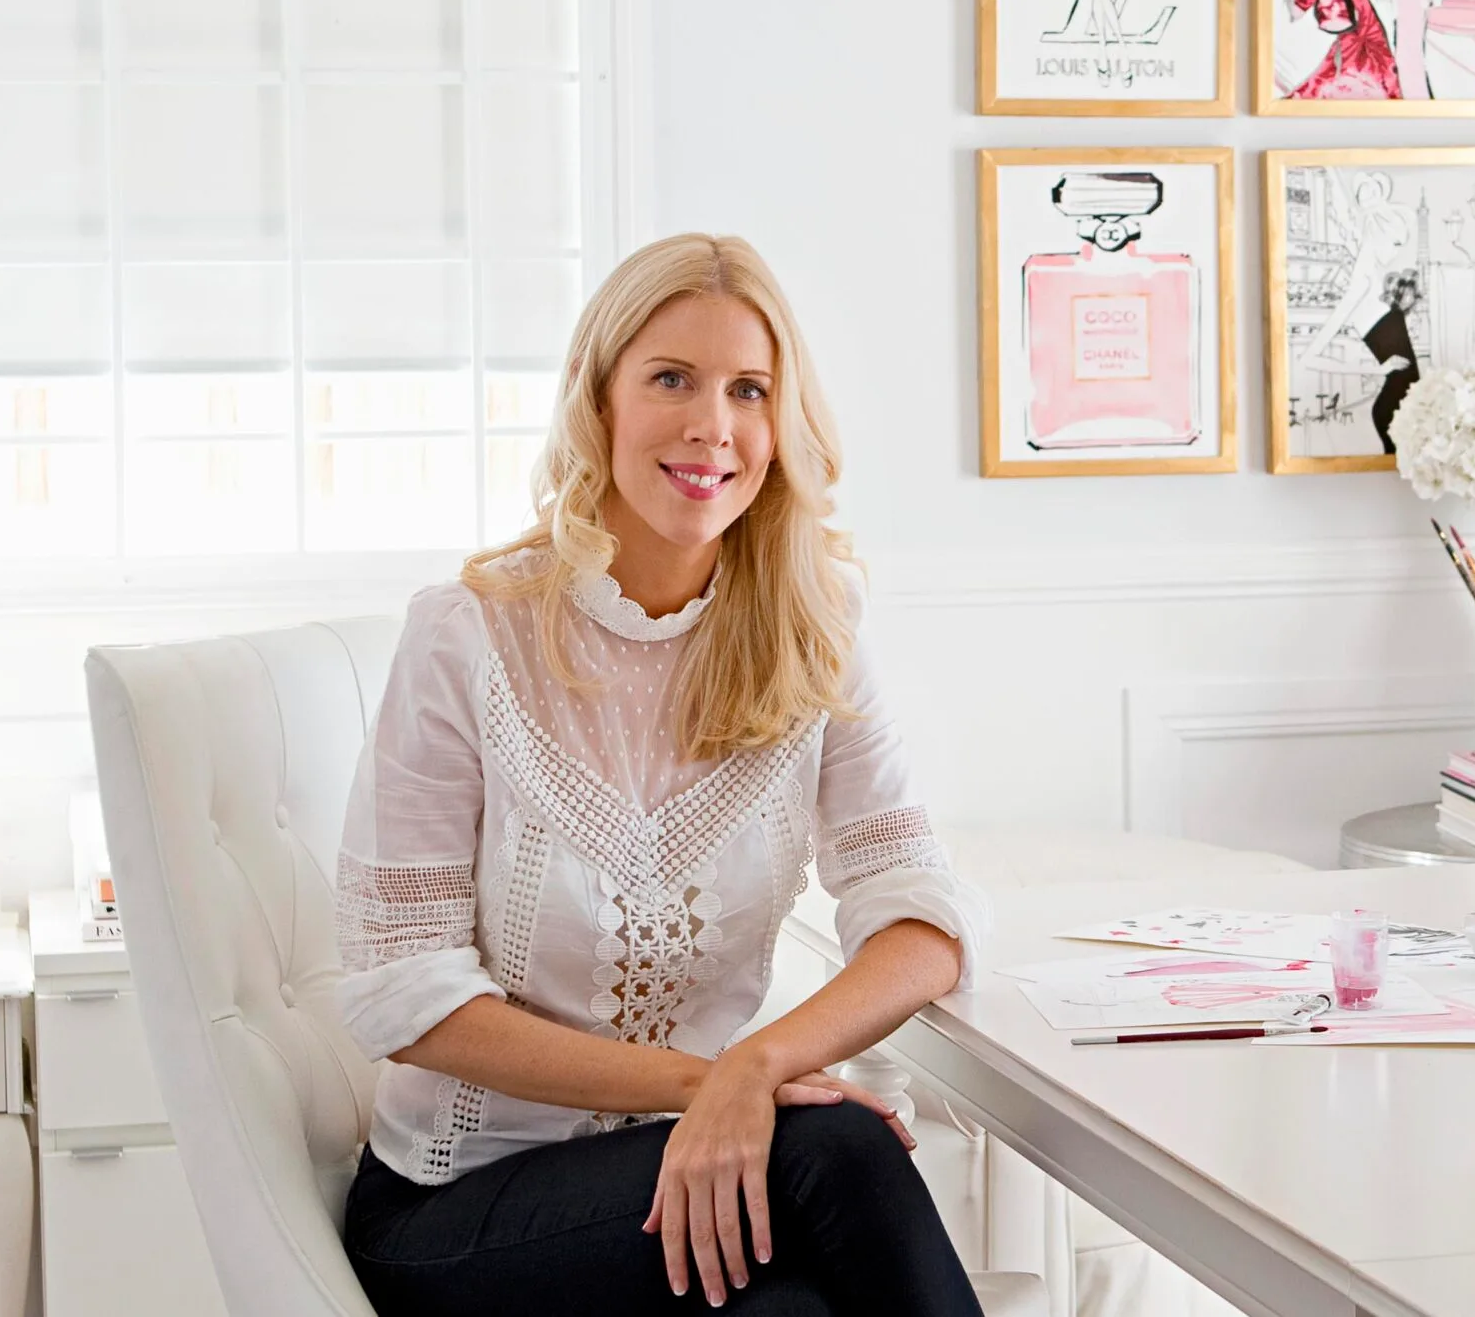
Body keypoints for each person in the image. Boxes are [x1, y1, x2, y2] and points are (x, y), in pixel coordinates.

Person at [336, 234, 989, 1316]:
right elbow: (405, 993)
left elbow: (923, 920)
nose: (712, 425)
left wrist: (757, 1065)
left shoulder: (813, 626)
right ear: (598, 401)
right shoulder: (468, 634)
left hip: (688, 1168)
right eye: (672, 379)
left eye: (749, 390)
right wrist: (711, 1084)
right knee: (833, 1150)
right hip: (460, 1212)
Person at [1362, 270, 1423, 454]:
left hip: (1390, 408)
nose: (1411, 299)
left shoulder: (1395, 320)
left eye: (1412, 295)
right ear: (1398, 295)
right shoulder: (1394, 319)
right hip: (1390, 410)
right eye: (1407, 294)